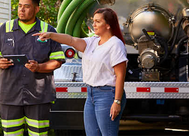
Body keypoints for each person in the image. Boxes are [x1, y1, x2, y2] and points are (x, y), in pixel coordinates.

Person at [33, 7, 127, 136]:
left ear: (108, 25)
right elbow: (70, 40)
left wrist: (117, 101)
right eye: (93, 21)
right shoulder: (92, 42)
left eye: (98, 22)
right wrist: (50, 35)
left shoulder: (115, 44)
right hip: (91, 94)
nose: (93, 24)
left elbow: (120, 75)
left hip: (107, 95)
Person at [0, 0, 65, 136]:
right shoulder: (5, 29)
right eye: (19, 6)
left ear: (37, 8)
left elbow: (57, 61)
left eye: (27, 6)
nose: (21, 10)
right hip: (10, 94)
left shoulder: (47, 30)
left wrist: (39, 67)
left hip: (39, 97)